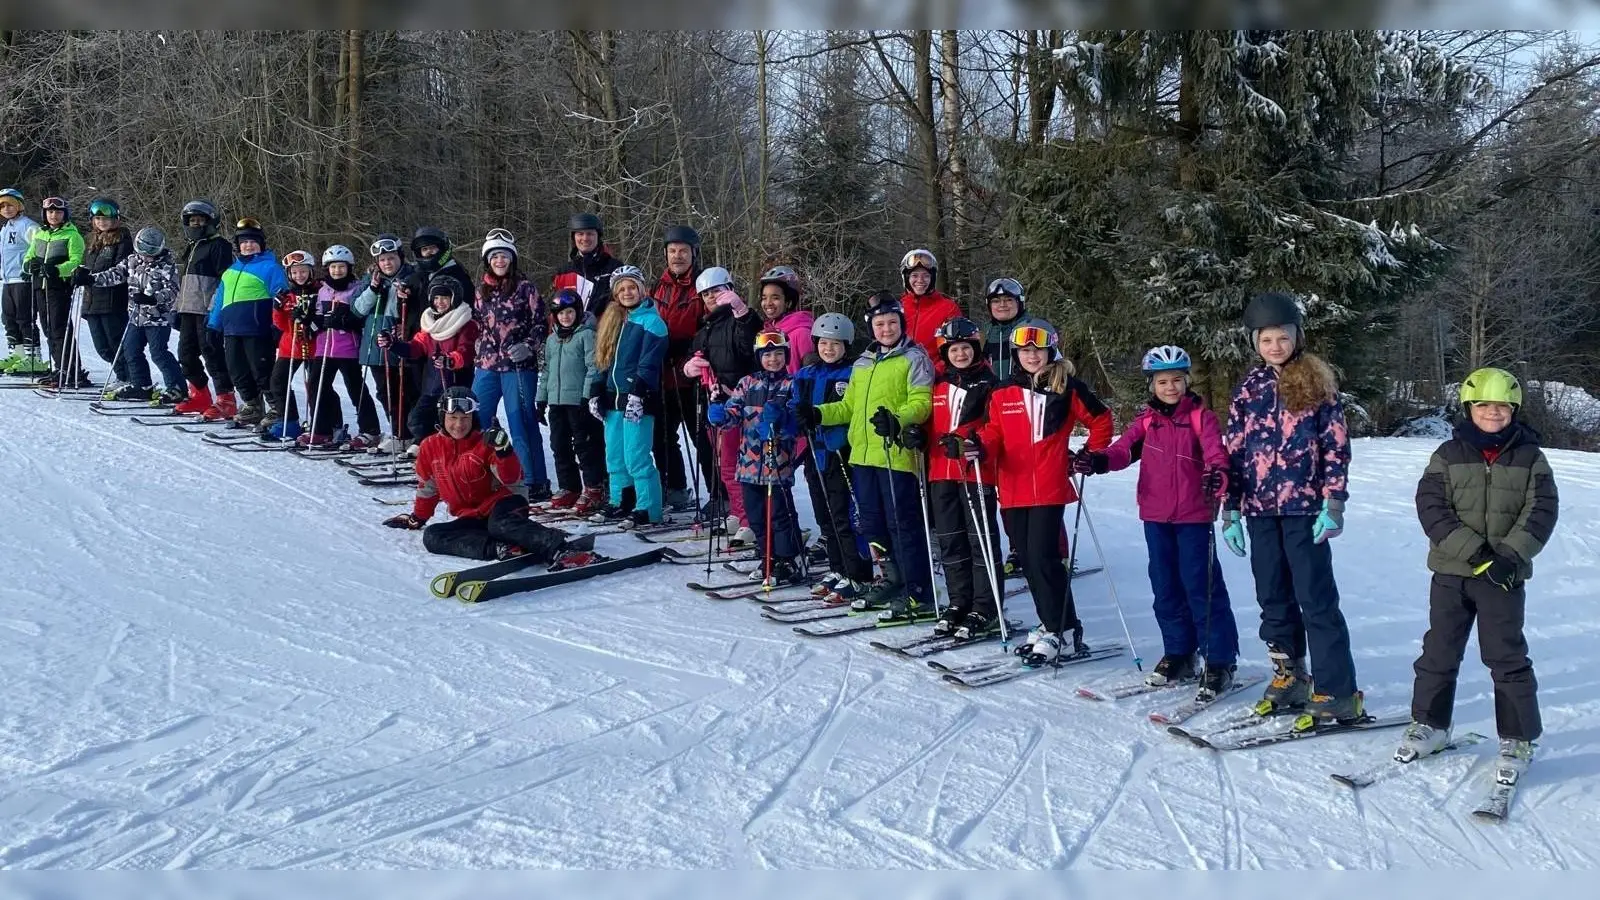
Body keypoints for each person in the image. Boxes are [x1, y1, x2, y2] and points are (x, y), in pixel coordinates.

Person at [1399, 367, 1557, 774]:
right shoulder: (1448, 455)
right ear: (1470, 408)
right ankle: (1429, 724)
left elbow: (1541, 512)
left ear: (1514, 410)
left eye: (1501, 406)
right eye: (1484, 405)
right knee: (1439, 650)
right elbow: (1431, 507)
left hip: (1502, 576)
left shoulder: (1530, 458)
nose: (1493, 412)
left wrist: (1507, 557)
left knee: (1506, 656)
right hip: (1453, 573)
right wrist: (1475, 553)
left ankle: (1518, 739)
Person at [1074, 345, 1241, 702]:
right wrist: (1098, 461)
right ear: (1152, 384)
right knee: (1164, 586)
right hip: (1155, 514)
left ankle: (1219, 661)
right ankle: (1179, 653)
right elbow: (1122, 450)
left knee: (1201, 586)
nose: (1170, 387)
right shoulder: (1147, 421)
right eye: (1163, 381)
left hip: (1193, 516)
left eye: (1177, 380)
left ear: (1186, 381)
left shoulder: (1201, 417)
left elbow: (1216, 455)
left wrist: (1218, 475)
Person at [1221, 291, 1357, 723]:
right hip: (1260, 511)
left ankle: (1337, 689)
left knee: (1315, 599)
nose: (1275, 347)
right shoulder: (1249, 388)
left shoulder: (1317, 381)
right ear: (1254, 344)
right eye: (1266, 340)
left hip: (1304, 511)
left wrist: (1333, 502)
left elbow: (1336, 447)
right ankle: (1289, 675)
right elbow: (1235, 451)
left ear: (1296, 337)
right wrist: (1231, 509)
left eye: (1282, 338)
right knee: (1272, 597)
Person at [958, 321, 1113, 663]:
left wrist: (1090, 453)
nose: (1031, 356)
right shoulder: (1002, 391)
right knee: (1028, 561)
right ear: (1016, 355)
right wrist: (979, 446)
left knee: (1044, 560)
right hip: (1011, 488)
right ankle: (1056, 626)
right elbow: (994, 431)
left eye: (1037, 350)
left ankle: (1060, 630)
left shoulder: (1066, 387)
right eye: (1025, 351)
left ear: (1050, 351)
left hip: (1048, 486)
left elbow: (1102, 420)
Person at [801, 299, 934, 623]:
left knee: (901, 524)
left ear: (901, 324)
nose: (886, 329)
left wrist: (898, 419)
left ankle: (919, 592)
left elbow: (922, 401)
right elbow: (847, 407)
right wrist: (818, 413)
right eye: (879, 324)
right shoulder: (864, 362)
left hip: (895, 454)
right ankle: (892, 580)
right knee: (872, 523)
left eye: (891, 323)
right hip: (862, 455)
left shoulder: (914, 358)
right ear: (871, 328)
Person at [381, 387, 581, 563]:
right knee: (433, 536)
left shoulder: (486, 441)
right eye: (453, 418)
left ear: (473, 418)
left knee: (499, 525)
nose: (459, 425)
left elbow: (511, 478)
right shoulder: (430, 447)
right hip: (473, 516)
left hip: (506, 504)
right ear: (442, 417)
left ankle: (561, 549)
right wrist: (417, 518)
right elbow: (428, 488)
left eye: (465, 418)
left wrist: (504, 450)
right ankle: (502, 548)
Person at [920, 317, 1004, 640]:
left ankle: (985, 606)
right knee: (950, 539)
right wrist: (916, 434)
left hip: (974, 473)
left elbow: (994, 427)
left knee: (978, 540)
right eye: (953, 349)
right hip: (940, 471)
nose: (960, 354)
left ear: (976, 348)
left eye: (966, 348)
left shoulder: (990, 384)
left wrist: (970, 440)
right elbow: (931, 423)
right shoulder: (939, 384)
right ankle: (959, 602)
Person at [708, 331, 804, 586]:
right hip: (749, 465)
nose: (773, 359)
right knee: (757, 516)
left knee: (779, 515)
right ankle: (767, 557)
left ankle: (787, 560)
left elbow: (797, 423)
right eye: (767, 355)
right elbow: (733, 413)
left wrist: (782, 421)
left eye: (778, 354)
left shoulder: (792, 384)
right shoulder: (748, 383)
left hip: (777, 465)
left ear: (786, 356)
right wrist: (720, 415)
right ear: (759, 357)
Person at [791, 311, 873, 603]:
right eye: (824, 343)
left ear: (846, 346)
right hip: (815, 453)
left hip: (841, 453)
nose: (829, 349)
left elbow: (854, 410)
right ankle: (838, 569)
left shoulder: (850, 374)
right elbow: (794, 403)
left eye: (836, 344)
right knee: (824, 515)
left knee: (844, 516)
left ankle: (859, 574)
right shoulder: (807, 374)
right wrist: (792, 417)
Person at [469, 229, 550, 500]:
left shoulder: (525, 288)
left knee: (521, 423)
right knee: (477, 419)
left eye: (504, 256)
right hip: (487, 365)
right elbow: (475, 323)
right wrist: (475, 343)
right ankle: (482, 473)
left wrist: (528, 345)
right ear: (487, 261)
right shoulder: (480, 291)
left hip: (518, 366)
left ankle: (532, 480)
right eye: (494, 257)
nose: (499, 261)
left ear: (511, 259)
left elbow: (542, 323)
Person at [683, 266, 762, 544]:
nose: (711, 298)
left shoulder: (739, 320)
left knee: (736, 462)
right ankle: (737, 512)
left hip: (738, 403)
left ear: (729, 289)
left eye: (716, 291)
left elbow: (748, 345)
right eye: (705, 294)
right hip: (714, 401)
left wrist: (742, 312)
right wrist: (689, 368)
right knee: (722, 463)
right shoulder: (706, 326)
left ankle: (749, 519)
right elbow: (696, 352)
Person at [589, 265, 668, 527]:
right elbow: (602, 359)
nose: (627, 292)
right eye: (621, 289)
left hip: (639, 398)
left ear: (642, 289)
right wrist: (596, 390)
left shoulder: (652, 322)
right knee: (615, 455)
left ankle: (648, 507)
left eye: (632, 287)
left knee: (637, 455)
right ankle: (620, 500)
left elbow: (649, 362)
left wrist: (639, 392)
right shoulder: (613, 320)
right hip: (613, 399)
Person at [87, 227, 185, 405]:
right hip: (135, 315)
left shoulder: (167, 265)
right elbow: (115, 274)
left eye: (151, 252)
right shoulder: (132, 260)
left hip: (157, 318)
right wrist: (91, 279)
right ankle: (141, 385)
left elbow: (173, 291)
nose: (146, 256)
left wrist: (154, 298)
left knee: (159, 353)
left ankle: (177, 387)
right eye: (143, 251)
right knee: (130, 350)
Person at [207, 218, 288, 427]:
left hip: (258, 329)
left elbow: (282, 299)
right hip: (232, 329)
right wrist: (213, 325)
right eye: (244, 242)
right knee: (237, 370)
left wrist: (278, 326)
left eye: (253, 241)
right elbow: (220, 301)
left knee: (262, 370)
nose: (248, 245)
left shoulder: (271, 268)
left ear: (261, 244)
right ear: (238, 245)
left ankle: (277, 407)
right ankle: (252, 405)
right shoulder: (230, 271)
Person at [298, 245, 381, 447]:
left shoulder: (355, 289)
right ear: (327, 269)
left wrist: (344, 321)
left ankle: (370, 430)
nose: (337, 271)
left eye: (341, 267)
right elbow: (318, 318)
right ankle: (322, 429)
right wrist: (308, 322)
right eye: (333, 267)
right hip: (323, 347)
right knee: (317, 387)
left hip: (348, 348)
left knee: (355, 388)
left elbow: (360, 316)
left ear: (349, 267)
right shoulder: (323, 291)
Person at [378, 274, 478, 440]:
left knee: (453, 424)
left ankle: (451, 451)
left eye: (445, 297)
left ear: (455, 298)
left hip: (455, 384)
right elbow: (416, 348)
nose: (440, 302)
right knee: (416, 420)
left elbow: (467, 351)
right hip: (432, 386)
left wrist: (450, 359)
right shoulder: (430, 324)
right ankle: (430, 446)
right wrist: (393, 344)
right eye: (436, 297)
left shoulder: (466, 323)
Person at [651, 224, 708, 514]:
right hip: (663, 375)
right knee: (661, 437)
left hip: (691, 377)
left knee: (702, 439)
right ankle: (675, 487)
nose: (677, 256)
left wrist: (687, 347)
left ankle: (719, 494)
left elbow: (711, 327)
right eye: (672, 251)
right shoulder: (657, 287)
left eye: (683, 251)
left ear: (693, 254)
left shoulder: (701, 286)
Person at [355, 233, 427, 453]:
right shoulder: (370, 280)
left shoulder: (413, 276)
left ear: (400, 257)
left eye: (391, 257)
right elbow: (357, 310)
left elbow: (418, 308)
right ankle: (398, 433)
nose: (387, 263)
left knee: (409, 390)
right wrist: (373, 290)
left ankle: (417, 435)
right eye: (382, 259)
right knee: (386, 392)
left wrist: (405, 300)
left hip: (403, 344)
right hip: (377, 344)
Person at [536, 288, 605, 515]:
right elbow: (545, 371)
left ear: (576, 312)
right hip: (557, 402)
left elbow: (593, 367)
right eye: (560, 313)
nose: (565, 317)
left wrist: (586, 396)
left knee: (585, 446)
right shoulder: (552, 340)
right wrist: (541, 400)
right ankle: (569, 486)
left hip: (578, 402)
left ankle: (594, 487)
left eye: (569, 312)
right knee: (559, 445)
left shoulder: (586, 335)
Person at [171, 200, 236, 416]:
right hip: (189, 309)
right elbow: (186, 281)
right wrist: (176, 308)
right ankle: (200, 395)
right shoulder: (191, 247)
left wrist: (213, 309)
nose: (196, 225)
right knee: (185, 354)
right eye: (192, 221)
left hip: (207, 310)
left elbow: (224, 281)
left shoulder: (219, 246)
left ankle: (226, 398)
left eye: (200, 221)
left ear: (210, 222)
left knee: (212, 354)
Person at [20, 196, 86, 387]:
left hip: (59, 287)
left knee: (60, 329)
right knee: (48, 328)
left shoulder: (72, 236)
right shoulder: (41, 233)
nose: (54, 215)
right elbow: (29, 255)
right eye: (50, 212)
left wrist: (57, 270)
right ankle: (59, 367)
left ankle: (72, 369)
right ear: (45, 214)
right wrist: (28, 265)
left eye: (58, 212)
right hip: (40, 287)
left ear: (65, 214)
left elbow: (75, 261)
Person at [70, 197, 133, 395]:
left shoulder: (122, 240)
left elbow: (121, 271)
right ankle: (120, 374)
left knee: (115, 343)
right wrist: (79, 274)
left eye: (106, 218)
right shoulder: (93, 241)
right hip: (92, 302)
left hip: (112, 301)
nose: (101, 222)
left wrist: (92, 278)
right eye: (97, 219)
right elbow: (90, 267)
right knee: (101, 347)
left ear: (116, 219)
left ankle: (127, 376)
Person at [263, 250, 320, 438]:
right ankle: (289, 421)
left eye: (303, 271)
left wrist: (309, 321)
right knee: (277, 381)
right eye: (294, 272)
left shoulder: (320, 291)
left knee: (315, 386)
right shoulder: (287, 295)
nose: (299, 276)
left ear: (310, 271)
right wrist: (278, 309)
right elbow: (279, 324)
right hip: (290, 345)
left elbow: (322, 318)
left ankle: (322, 424)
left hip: (314, 347)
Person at [0, 188, 45, 374]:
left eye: (10, 204)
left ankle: (33, 358)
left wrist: (33, 267)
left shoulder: (28, 226)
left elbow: (41, 246)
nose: (6, 208)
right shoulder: (5, 228)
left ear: (19, 205)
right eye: (2, 206)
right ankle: (17, 354)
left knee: (24, 318)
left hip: (23, 279)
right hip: (8, 280)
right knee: (8, 318)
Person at [550, 212, 622, 322]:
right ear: (574, 237)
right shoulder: (563, 272)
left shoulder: (614, 268)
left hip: (604, 332)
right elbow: (554, 309)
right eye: (580, 234)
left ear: (598, 236)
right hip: (571, 335)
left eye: (590, 234)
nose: (585, 238)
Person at [895, 249, 962, 361]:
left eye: (925, 276)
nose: (920, 280)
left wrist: (937, 372)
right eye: (914, 275)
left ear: (932, 278)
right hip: (899, 373)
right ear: (906, 278)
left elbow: (957, 347)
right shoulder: (896, 308)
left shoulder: (948, 308)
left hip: (935, 374)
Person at [756, 266, 814, 375]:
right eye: (764, 298)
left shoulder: (801, 333)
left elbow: (810, 375)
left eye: (775, 298)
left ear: (789, 302)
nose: (768, 303)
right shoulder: (767, 331)